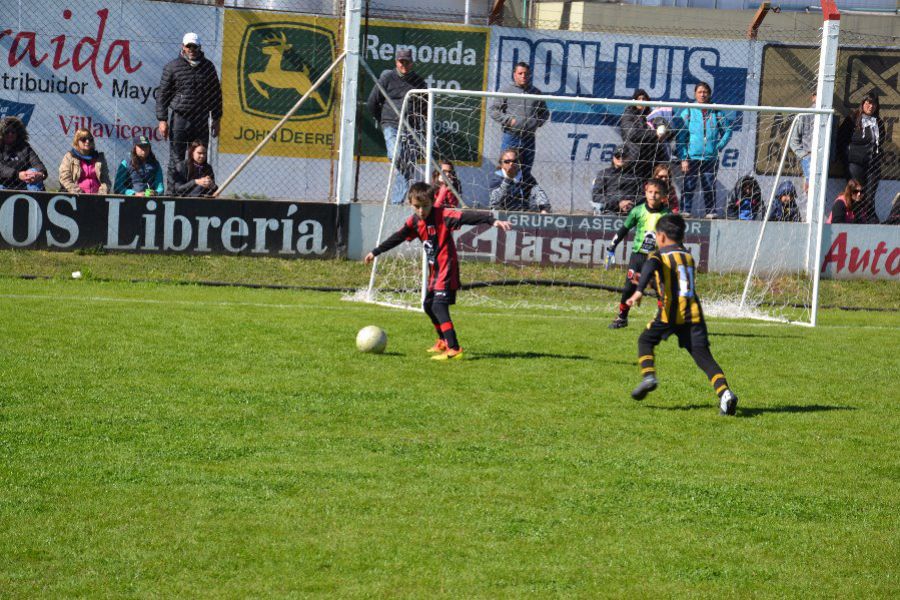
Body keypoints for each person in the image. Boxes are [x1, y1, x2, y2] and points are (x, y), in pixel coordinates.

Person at [364, 182, 512, 360]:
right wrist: (375, 252)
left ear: (432, 202)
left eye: (425, 206)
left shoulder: (443, 215)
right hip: (435, 270)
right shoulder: (414, 221)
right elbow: (398, 237)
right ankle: (442, 341)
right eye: (417, 206)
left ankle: (454, 347)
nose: (421, 211)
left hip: (447, 267)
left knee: (438, 305)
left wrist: (492, 220)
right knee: (428, 305)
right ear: (410, 204)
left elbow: (466, 216)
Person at [626, 213, 738, 416]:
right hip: (693, 316)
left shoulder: (659, 255)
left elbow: (651, 266)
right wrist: (650, 283)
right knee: (704, 358)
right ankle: (725, 394)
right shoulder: (688, 257)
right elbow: (672, 281)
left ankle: (649, 376)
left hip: (669, 315)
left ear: (660, 237)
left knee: (645, 340)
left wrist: (639, 290)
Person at [156, 32, 222, 189]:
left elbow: (216, 94)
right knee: (176, 158)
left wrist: (217, 119)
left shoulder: (208, 67)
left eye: (195, 46)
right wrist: (162, 119)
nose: (191, 49)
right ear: (183, 47)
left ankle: (199, 192)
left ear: (199, 48)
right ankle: (173, 192)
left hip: (201, 119)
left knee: (199, 157)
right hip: (180, 118)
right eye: (188, 46)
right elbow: (163, 94)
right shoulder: (173, 66)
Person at [605, 177, 672, 329]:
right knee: (629, 287)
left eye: (657, 193)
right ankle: (622, 317)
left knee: (661, 289)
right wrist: (612, 247)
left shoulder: (668, 215)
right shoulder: (637, 211)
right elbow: (624, 229)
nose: (653, 195)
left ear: (663, 196)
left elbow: (674, 237)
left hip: (657, 258)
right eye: (650, 192)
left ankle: (665, 320)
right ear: (646, 192)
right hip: (638, 257)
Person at [366, 48, 428, 205]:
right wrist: (384, 119)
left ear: (412, 63)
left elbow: (425, 106)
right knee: (396, 154)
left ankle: (396, 202)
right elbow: (372, 102)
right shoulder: (387, 78)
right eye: (401, 61)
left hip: (411, 128)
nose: (404, 65)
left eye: (407, 61)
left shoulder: (419, 82)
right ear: (396, 62)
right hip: (391, 124)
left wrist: (420, 122)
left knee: (408, 165)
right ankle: (398, 198)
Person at [675, 82, 732, 218]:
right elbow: (680, 138)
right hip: (692, 157)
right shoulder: (688, 112)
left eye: (705, 92)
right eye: (700, 92)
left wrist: (719, 146)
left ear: (709, 94)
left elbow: (728, 131)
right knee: (689, 185)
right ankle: (685, 210)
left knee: (709, 186)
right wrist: (683, 158)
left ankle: (710, 211)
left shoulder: (716, 111)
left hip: (710, 158)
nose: (702, 94)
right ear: (695, 94)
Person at [488, 62, 549, 177]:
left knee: (526, 171)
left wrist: (536, 123)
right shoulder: (506, 91)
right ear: (514, 75)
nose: (523, 76)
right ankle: (503, 194)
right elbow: (493, 110)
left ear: (530, 75)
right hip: (511, 136)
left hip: (529, 138)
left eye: (526, 73)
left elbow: (545, 113)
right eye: (520, 73)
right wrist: (508, 120)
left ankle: (523, 194)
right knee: (506, 171)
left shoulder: (536, 92)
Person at [836, 93, 884, 224]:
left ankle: (869, 219)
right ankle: (855, 217)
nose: (870, 106)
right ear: (862, 104)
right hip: (855, 163)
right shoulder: (853, 119)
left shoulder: (878, 122)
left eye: (873, 103)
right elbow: (840, 140)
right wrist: (847, 157)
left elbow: (881, 141)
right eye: (868, 103)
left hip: (872, 164)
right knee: (856, 193)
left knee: (870, 194)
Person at [620, 89, 668, 181]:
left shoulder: (652, 115)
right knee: (635, 189)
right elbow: (633, 134)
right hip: (634, 161)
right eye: (639, 99)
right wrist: (655, 134)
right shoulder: (628, 115)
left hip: (652, 160)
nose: (641, 101)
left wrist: (662, 127)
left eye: (644, 99)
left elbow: (665, 128)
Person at [489, 148, 551, 213]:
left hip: (523, 212)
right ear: (501, 164)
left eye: (514, 161)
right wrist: (508, 179)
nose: (511, 164)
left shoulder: (526, 177)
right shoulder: (496, 178)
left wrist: (544, 208)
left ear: (519, 164)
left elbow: (538, 192)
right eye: (507, 161)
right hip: (502, 213)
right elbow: (494, 201)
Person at [0, 116, 47, 191]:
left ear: (18, 133)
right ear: (1, 133)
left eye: (13, 132)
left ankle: (36, 201)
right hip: (3, 183)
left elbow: (36, 162)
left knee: (34, 171)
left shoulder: (25, 147)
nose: (10, 134)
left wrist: (41, 174)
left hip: (25, 182)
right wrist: (17, 174)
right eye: (7, 131)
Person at [590, 145, 640, 215]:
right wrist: (618, 203)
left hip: (632, 208)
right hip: (610, 209)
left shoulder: (635, 175)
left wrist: (631, 203)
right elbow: (596, 196)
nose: (620, 158)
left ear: (629, 158)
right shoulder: (604, 173)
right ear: (613, 158)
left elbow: (642, 194)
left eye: (624, 156)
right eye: (617, 156)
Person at [58, 128, 111, 194]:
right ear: (77, 141)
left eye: (90, 139)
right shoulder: (69, 156)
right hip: (77, 195)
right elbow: (64, 178)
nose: (87, 141)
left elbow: (105, 180)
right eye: (84, 139)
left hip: (97, 196)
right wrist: (78, 192)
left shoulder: (99, 158)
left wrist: (102, 192)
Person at [789, 92, 816, 194]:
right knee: (810, 190)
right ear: (813, 97)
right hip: (808, 158)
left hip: (824, 160)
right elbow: (793, 141)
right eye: (818, 94)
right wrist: (805, 155)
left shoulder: (831, 116)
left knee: (820, 192)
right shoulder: (804, 115)